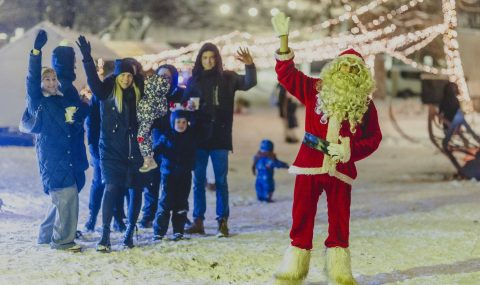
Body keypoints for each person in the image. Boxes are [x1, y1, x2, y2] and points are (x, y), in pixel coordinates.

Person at [271, 13, 382, 285]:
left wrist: (349, 150)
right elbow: (287, 74)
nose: (348, 72)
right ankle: (294, 267)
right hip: (309, 165)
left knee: (340, 220)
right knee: (302, 216)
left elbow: (374, 138)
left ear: (360, 75)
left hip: (341, 170)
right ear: (335, 68)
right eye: (344, 67)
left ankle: (339, 271)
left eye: (354, 69)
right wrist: (284, 41)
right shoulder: (314, 89)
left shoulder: (365, 106)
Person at [76, 35, 152, 251]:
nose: (126, 79)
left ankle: (129, 233)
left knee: (135, 191)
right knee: (111, 188)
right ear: (117, 76)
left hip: (136, 152)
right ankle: (105, 235)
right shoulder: (106, 92)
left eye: (129, 75)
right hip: (111, 151)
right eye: (122, 75)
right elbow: (92, 81)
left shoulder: (140, 94)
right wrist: (88, 59)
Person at [21, 30, 88, 252]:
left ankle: (46, 234)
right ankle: (62, 241)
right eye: (46, 79)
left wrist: (76, 116)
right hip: (52, 156)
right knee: (67, 197)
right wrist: (36, 52)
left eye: (53, 79)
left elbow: (70, 126)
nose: (51, 82)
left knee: (62, 198)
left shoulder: (60, 99)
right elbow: (31, 78)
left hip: (65, 154)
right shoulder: (37, 100)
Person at [184, 43, 257, 237]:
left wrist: (250, 66)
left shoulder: (228, 78)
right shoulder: (194, 81)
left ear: (217, 59)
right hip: (199, 138)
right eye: (205, 57)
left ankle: (222, 221)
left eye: (212, 57)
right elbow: (185, 105)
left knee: (221, 182)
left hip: (220, 138)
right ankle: (198, 220)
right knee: (198, 182)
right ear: (200, 59)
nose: (209, 61)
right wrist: (190, 109)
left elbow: (249, 83)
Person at [139, 64, 186, 229]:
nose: (164, 79)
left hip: (175, 146)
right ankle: (149, 214)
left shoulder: (180, 94)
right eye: (161, 76)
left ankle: (176, 214)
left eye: (168, 76)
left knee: (172, 183)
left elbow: (185, 116)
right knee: (152, 181)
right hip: (156, 144)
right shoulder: (151, 95)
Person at [83, 60, 126, 233]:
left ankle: (117, 217)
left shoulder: (129, 92)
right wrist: (93, 145)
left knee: (117, 183)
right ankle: (92, 217)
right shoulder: (103, 91)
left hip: (120, 147)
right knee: (100, 182)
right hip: (101, 145)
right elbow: (91, 120)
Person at [151, 107, 201, 241]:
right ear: (173, 122)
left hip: (185, 175)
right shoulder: (167, 136)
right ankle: (159, 232)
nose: (181, 125)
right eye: (178, 122)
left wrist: (193, 113)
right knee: (165, 202)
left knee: (181, 203)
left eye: (184, 122)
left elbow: (203, 131)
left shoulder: (191, 136)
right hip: (168, 175)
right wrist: (151, 154)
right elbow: (157, 148)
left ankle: (178, 231)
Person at [137, 74, 169, 172]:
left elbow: (162, 111)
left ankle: (148, 159)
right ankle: (149, 159)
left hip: (147, 120)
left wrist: (151, 115)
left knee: (141, 138)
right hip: (144, 120)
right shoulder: (154, 97)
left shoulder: (157, 98)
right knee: (145, 138)